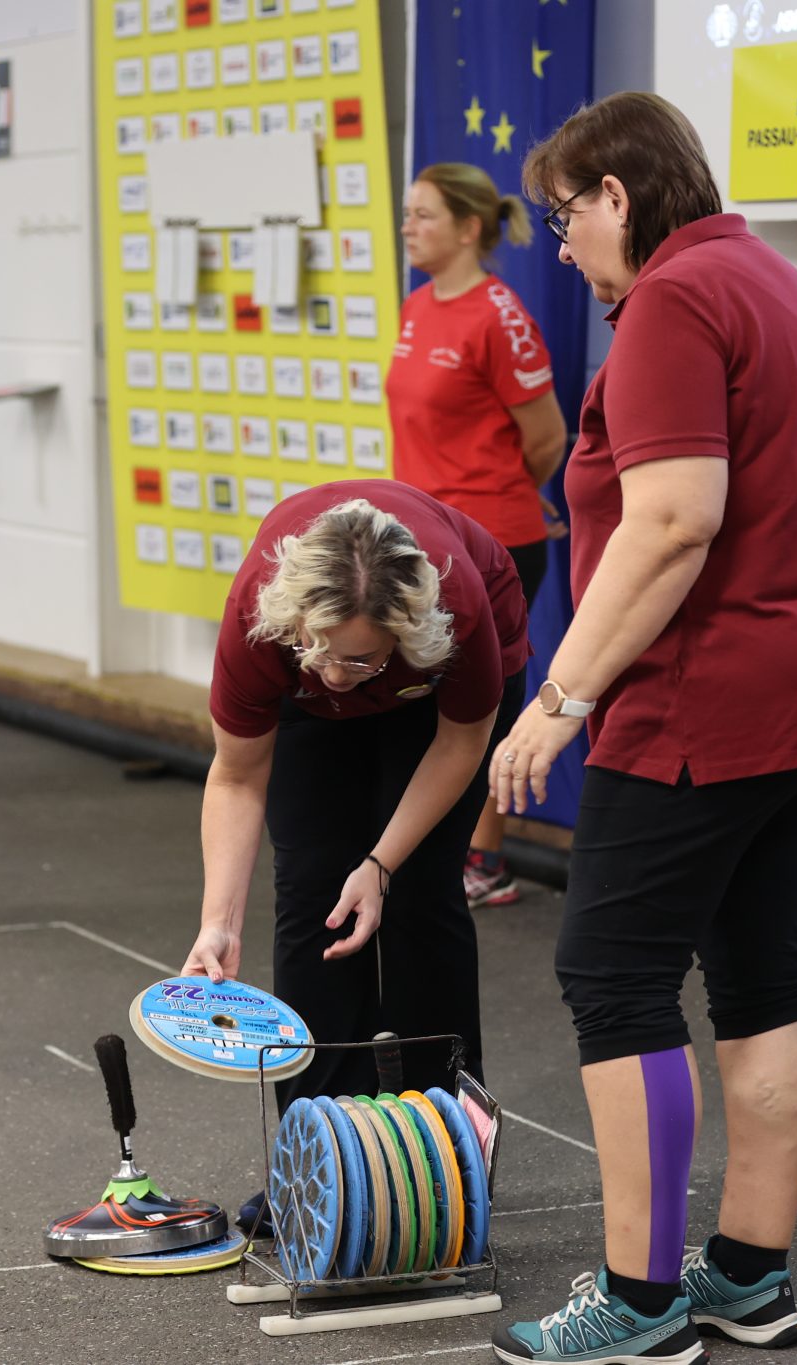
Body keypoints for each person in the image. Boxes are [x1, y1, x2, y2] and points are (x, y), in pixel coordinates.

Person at [489, 93, 797, 1365]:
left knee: (611, 976)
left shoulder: (674, 301)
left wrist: (558, 699)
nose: (560, 245)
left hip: (713, 687)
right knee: (757, 967)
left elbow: (672, 522)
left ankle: (636, 1306)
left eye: (564, 217)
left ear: (618, 197)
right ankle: (743, 1274)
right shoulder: (766, 277)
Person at [182, 481, 528, 1232]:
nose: (336, 674)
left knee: (421, 891)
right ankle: (323, 1156)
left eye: (356, 660)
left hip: (429, 699)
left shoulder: (457, 611)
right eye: (322, 651)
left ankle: (442, 1158)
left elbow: (462, 741)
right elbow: (238, 776)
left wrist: (381, 864)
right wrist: (218, 922)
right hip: (311, 706)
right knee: (313, 895)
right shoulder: (264, 622)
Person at [389, 163, 567, 909]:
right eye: (407, 214)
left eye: (423, 215)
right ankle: (431, 845)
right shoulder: (416, 306)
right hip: (420, 534)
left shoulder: (500, 314)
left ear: (467, 228)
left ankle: (484, 859)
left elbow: (547, 436)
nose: (408, 227)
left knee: (479, 699)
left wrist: (503, 499)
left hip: (492, 539)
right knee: (422, 695)